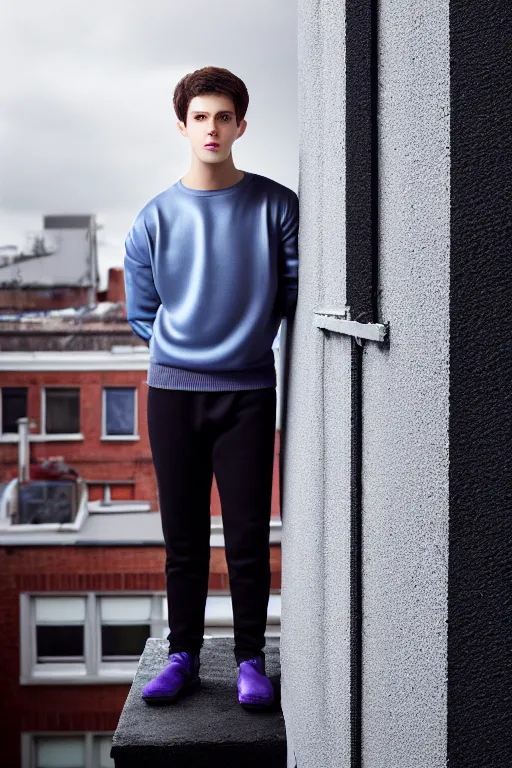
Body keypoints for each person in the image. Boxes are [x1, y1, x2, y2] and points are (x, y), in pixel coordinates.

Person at [123, 65, 299, 710]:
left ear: (241, 125)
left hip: (248, 392)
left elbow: (288, 295)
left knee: (249, 533)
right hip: (172, 393)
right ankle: (184, 657)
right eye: (201, 117)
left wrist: (239, 343)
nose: (213, 128)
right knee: (184, 537)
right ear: (183, 126)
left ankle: (252, 659)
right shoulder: (153, 218)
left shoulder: (277, 205)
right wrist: (188, 350)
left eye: (224, 116)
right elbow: (142, 313)